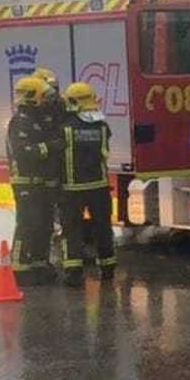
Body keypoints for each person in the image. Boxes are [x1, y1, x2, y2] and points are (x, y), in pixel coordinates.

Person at [6, 75, 63, 286]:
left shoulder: (39, 120)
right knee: (28, 224)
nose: (47, 102)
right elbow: (24, 153)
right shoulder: (20, 123)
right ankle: (19, 268)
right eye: (44, 97)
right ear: (31, 98)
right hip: (26, 182)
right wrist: (51, 147)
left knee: (45, 224)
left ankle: (40, 263)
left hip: (41, 182)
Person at [57, 81, 116, 285]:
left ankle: (74, 273)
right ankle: (108, 268)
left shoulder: (65, 128)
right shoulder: (102, 126)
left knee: (72, 231)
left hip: (72, 188)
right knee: (103, 229)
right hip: (99, 186)